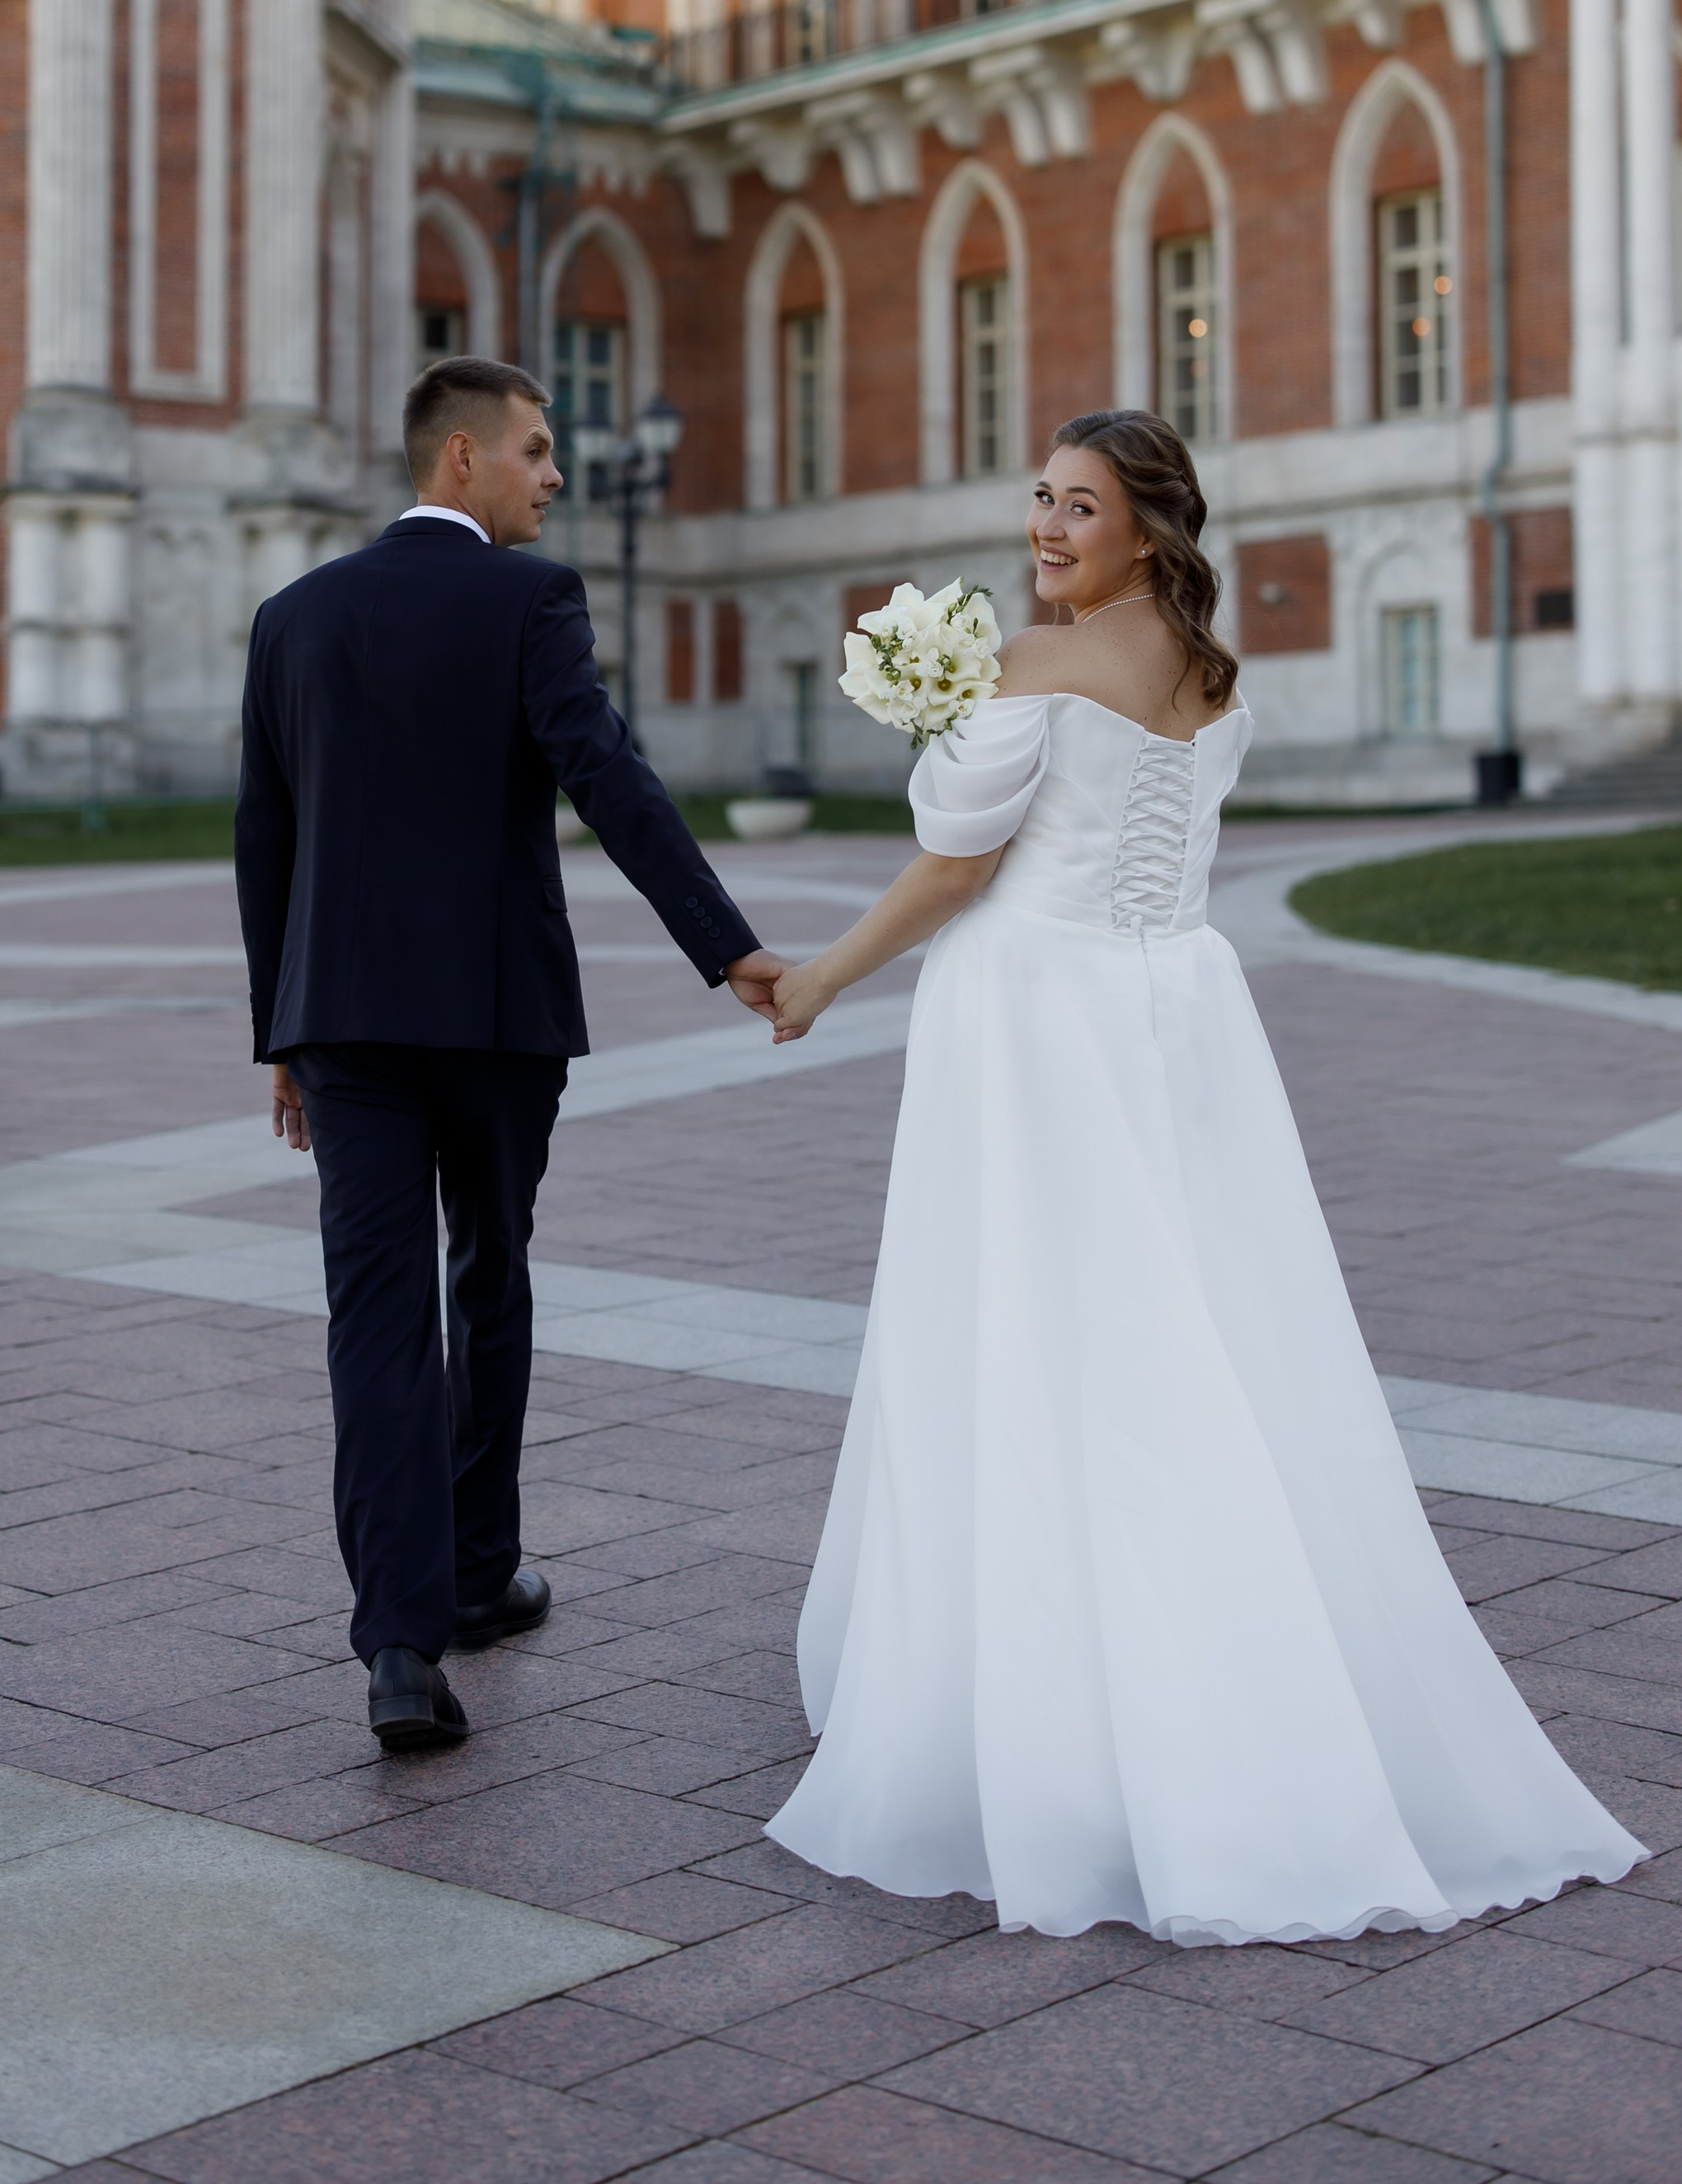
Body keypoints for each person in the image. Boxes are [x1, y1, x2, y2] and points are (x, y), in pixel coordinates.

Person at [760, 406, 1645, 1944]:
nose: (1046, 528)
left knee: (1029, 1332)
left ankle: (1043, 1698)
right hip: (1171, 1010)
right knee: (1186, 1330)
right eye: (1041, 499)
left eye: (1079, 507)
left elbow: (958, 865)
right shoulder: (1215, 678)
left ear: (1148, 527)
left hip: (1039, 1018)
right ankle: (1217, 1658)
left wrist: (823, 975)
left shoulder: (1035, 667)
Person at [234, 356, 782, 1753]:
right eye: (537, 449)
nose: (557, 473)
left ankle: (401, 1647)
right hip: (495, 1019)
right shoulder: (530, 600)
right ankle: (480, 1570)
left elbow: (265, 841)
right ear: (462, 458)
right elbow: (610, 779)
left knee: (375, 1318)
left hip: (341, 1021)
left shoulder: (293, 617)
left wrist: (280, 1031)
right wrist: (727, 947)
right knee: (488, 1277)